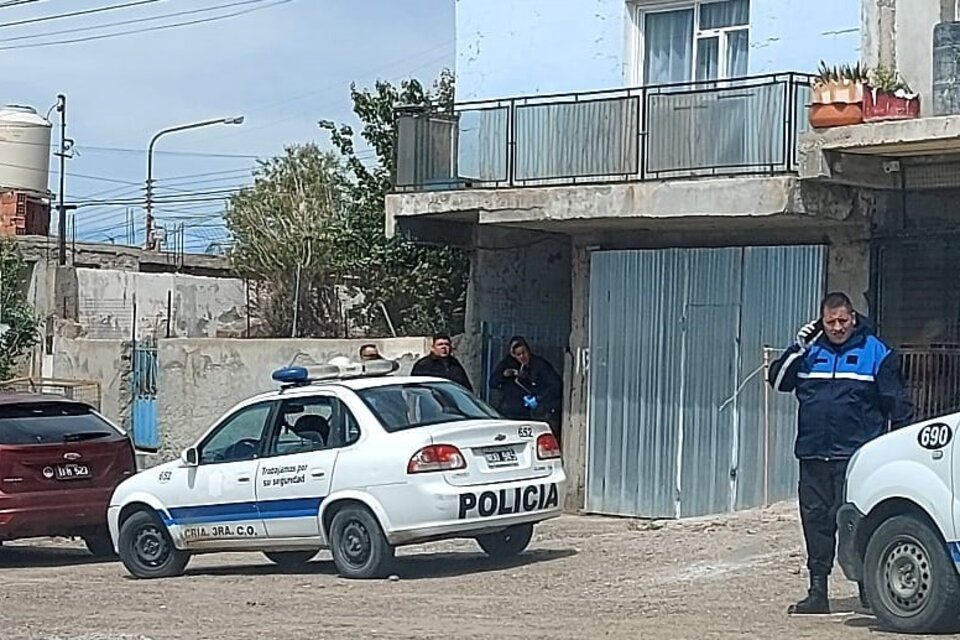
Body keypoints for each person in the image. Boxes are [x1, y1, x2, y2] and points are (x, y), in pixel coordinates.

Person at [768, 291, 913, 615]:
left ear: (853, 318)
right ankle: (818, 591)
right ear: (821, 321)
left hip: (858, 460)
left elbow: (898, 406)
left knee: (858, 524)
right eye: (830, 321)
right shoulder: (809, 352)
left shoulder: (876, 351)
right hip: (813, 455)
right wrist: (798, 348)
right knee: (816, 523)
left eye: (842, 321)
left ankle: (869, 592)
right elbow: (777, 382)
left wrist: (895, 451)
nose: (836, 327)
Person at [488, 336, 563, 439]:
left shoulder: (539, 365)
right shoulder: (506, 365)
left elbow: (555, 385)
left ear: (528, 351)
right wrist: (503, 375)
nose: (522, 357)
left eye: (524, 353)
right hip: (511, 411)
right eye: (518, 354)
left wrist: (538, 398)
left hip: (536, 411)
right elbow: (492, 383)